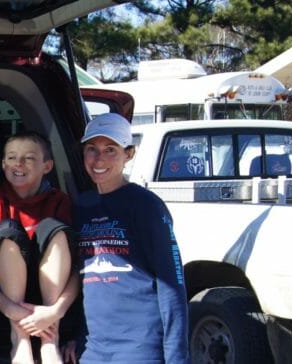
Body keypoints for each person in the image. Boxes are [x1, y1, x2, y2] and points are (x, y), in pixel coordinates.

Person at [74, 113, 188, 363]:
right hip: (93, 350)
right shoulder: (81, 206)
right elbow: (81, 283)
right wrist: (75, 337)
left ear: (129, 154)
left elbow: (172, 286)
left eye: (111, 149)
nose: (99, 159)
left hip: (139, 348)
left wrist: (177, 358)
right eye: (92, 149)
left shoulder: (146, 206)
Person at [0, 131, 78, 364]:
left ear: (47, 166)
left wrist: (56, 311)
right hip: (6, 297)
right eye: (11, 157)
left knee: (55, 229)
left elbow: (79, 266)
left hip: (50, 296)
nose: (18, 163)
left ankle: (50, 340)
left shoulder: (59, 201)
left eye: (28, 158)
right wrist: (9, 309)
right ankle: (20, 339)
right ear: (3, 164)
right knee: (7, 231)